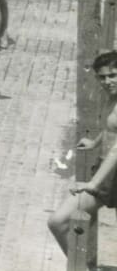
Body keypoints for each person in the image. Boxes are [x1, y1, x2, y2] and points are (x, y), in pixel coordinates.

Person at [47, 51, 117, 257]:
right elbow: (112, 128)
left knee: (59, 221)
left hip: (109, 174)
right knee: (58, 222)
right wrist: (94, 143)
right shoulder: (112, 97)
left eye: (113, 75)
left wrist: (93, 184)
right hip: (109, 174)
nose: (107, 81)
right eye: (102, 77)